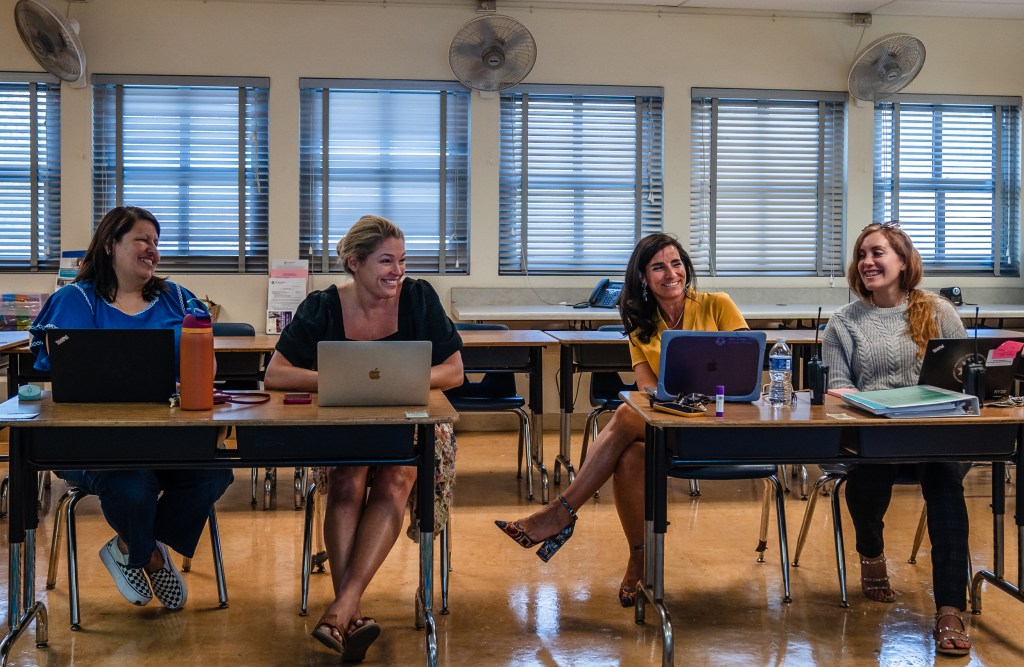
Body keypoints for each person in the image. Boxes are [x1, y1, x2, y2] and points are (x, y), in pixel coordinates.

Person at [495, 232, 747, 607]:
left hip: (720, 421)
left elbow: (744, 367)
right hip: (670, 423)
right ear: (643, 278)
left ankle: (560, 513)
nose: (671, 273)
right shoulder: (639, 322)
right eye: (658, 267)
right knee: (629, 458)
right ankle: (639, 558)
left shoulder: (717, 305)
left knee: (627, 414)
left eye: (676, 263)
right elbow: (647, 390)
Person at [263, 215, 463, 661]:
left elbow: (455, 371)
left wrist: (405, 382)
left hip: (413, 421)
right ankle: (348, 609)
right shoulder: (321, 306)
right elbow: (275, 374)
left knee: (396, 479)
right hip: (346, 421)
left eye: (402, 261)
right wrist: (332, 382)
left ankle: (341, 609)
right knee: (348, 479)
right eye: (386, 261)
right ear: (354, 263)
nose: (397, 271)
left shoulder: (418, 298)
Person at [28, 205, 234, 611]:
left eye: (156, 242)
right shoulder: (74, 300)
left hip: (165, 434)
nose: (151, 249)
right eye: (142, 239)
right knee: (131, 484)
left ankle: (128, 544)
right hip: (89, 441)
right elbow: (55, 371)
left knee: (213, 475)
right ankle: (152, 558)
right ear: (110, 245)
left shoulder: (176, 297)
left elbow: (205, 370)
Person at [822, 220, 972, 657]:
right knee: (869, 474)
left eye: (878, 253)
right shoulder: (843, 322)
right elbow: (837, 384)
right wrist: (859, 399)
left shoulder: (938, 311)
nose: (867, 262)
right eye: (862, 255)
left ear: (903, 262)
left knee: (946, 487)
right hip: (874, 438)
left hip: (932, 437)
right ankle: (871, 557)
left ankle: (948, 609)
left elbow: (962, 379)